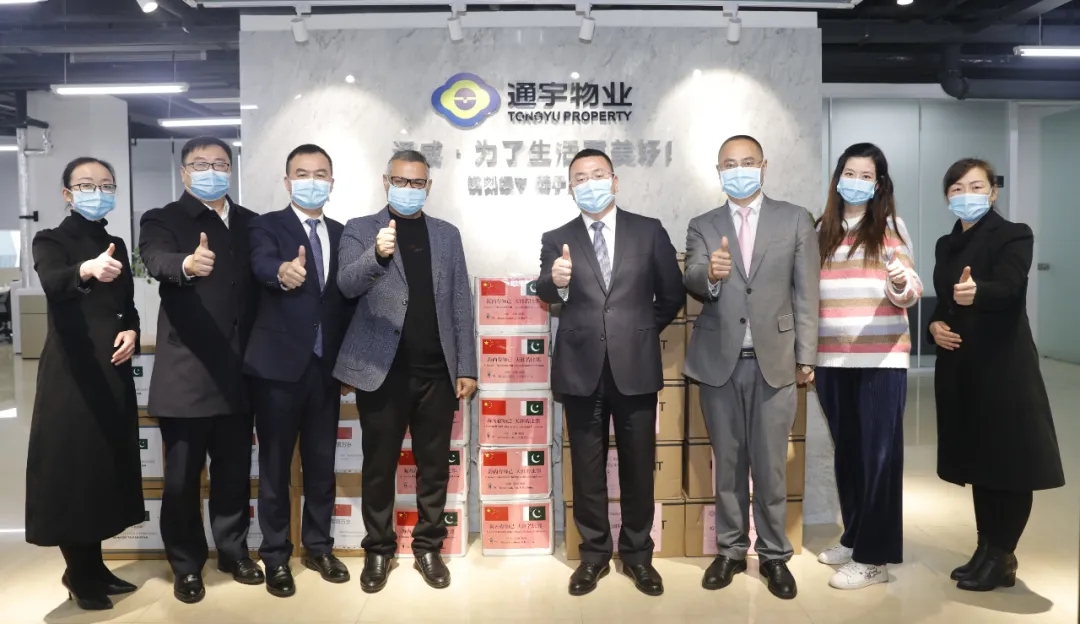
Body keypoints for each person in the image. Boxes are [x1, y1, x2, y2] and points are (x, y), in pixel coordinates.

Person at [536, 148, 684, 598]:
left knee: (639, 467)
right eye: (580, 178)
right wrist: (557, 281)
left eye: (598, 174)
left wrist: (638, 331)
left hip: (635, 367)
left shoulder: (648, 230)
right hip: (581, 370)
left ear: (615, 181)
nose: (590, 183)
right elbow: (544, 290)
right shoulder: (556, 237)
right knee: (587, 469)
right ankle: (594, 556)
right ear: (570, 188)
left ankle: (638, 556)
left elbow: (672, 294)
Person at [335, 150, 477, 593]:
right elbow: (346, 285)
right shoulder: (360, 229)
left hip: (437, 373)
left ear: (428, 186)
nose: (408, 189)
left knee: (434, 468)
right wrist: (377, 256)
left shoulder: (447, 234)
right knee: (379, 467)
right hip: (382, 372)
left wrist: (467, 366)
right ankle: (378, 550)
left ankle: (428, 548)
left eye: (417, 183)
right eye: (400, 181)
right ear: (386, 182)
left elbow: (460, 302)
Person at [684, 135, 819, 600]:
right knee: (727, 465)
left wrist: (806, 356)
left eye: (746, 162)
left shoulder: (795, 218)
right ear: (718, 171)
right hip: (718, 364)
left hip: (775, 363)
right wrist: (710, 273)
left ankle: (775, 555)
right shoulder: (703, 224)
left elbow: (807, 292)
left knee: (770, 467)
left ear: (764, 165)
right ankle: (730, 551)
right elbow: (692, 276)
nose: (738, 170)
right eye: (729, 164)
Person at [928, 158, 1064, 592]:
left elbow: (1009, 286)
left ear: (992, 192)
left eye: (976, 186)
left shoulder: (1013, 234)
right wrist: (934, 325)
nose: (966, 194)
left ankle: (1003, 553)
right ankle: (986, 549)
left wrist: (977, 292)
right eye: (957, 188)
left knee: (1010, 462)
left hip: (1003, 368)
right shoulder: (945, 244)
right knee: (980, 462)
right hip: (961, 369)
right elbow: (943, 301)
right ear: (947, 196)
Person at [138, 136, 263, 603]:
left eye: (221, 163)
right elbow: (156, 260)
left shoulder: (251, 222)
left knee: (233, 472)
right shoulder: (163, 218)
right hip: (187, 371)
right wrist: (187, 264)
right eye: (201, 164)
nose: (212, 171)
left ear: (231, 169)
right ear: (184, 172)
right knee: (182, 478)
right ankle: (187, 565)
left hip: (239, 372)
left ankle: (233, 552)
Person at [26, 157, 142, 611]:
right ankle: (77, 572)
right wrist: (86, 270)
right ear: (67, 194)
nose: (98, 191)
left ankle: (95, 568)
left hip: (111, 370)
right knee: (73, 471)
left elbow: (127, 303)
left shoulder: (115, 242)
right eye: (87, 184)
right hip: (72, 374)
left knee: (102, 470)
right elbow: (53, 282)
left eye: (106, 184)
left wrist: (131, 330)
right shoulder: (50, 239)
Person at [245, 144, 353, 597]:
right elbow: (261, 263)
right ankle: (275, 555)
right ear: (288, 181)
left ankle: (319, 548)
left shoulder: (344, 232)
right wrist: (282, 272)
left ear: (332, 182)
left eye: (320, 174)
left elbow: (345, 300)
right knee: (273, 468)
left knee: (321, 466)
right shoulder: (266, 225)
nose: (312, 181)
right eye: (302, 174)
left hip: (325, 370)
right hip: (277, 370)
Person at [813, 143, 921, 590]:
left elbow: (910, 288)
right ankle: (855, 535)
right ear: (838, 177)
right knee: (848, 452)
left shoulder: (890, 228)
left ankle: (874, 558)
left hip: (880, 358)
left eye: (865, 175)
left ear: (878, 185)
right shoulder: (821, 230)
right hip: (830, 359)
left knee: (879, 457)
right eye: (849, 173)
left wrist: (900, 282)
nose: (855, 182)